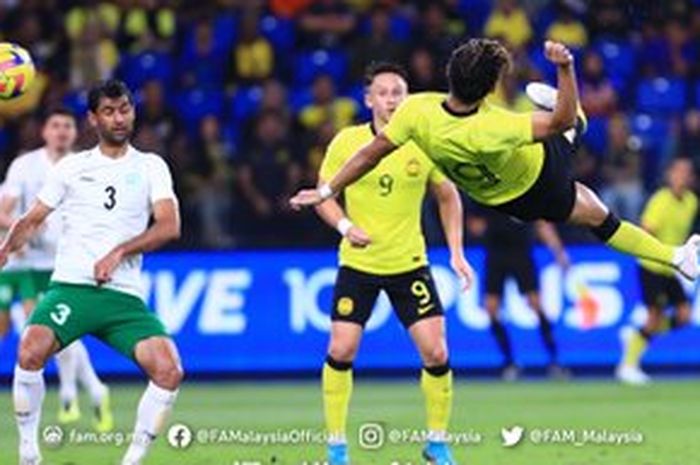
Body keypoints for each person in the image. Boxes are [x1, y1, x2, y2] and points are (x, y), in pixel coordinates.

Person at [290, 39, 700, 282]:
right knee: (573, 130)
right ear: (490, 89)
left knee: (591, 206)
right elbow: (556, 122)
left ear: (450, 75)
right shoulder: (496, 126)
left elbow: (368, 154)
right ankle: (676, 257)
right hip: (539, 180)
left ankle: (678, 258)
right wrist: (566, 69)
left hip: (499, 199)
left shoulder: (415, 111)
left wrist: (327, 189)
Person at [1, 79, 183, 465]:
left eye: (125, 109)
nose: (119, 118)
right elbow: (32, 219)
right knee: (30, 350)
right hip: (72, 289)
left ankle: (132, 460)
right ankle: (29, 452)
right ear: (93, 118)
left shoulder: (151, 166)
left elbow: (169, 226)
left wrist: (119, 251)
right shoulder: (72, 167)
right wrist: (4, 249)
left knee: (169, 370)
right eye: (109, 111)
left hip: (123, 297)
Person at [316, 62, 472, 465]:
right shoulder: (346, 142)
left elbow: (448, 195)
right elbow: (323, 195)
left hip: (409, 264)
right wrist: (346, 227)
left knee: (436, 353)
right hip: (359, 264)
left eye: (398, 91)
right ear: (368, 100)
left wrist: (456, 251)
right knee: (341, 348)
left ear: (407, 97)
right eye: (383, 92)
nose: (390, 98)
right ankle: (336, 447)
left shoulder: (422, 142)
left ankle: (436, 443)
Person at [0, 108, 113, 432]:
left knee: (51, 330)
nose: (61, 131)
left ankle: (73, 391)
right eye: (55, 125)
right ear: (45, 132)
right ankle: (90, 388)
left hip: (68, 263)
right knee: (37, 331)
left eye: (67, 126)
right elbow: (3, 211)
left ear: (75, 134)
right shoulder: (25, 165)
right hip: (27, 263)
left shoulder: (87, 168)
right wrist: (27, 227)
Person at [617, 157, 698, 385]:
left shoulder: (691, 201)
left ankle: (636, 336)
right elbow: (646, 230)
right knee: (654, 317)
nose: (682, 176)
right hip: (652, 265)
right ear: (670, 175)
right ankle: (628, 365)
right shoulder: (660, 201)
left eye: (686, 172)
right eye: (678, 171)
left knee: (684, 316)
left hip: (672, 268)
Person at [471, 210, 570, 380]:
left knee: (536, 304)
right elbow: (474, 223)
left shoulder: (523, 194)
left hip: (521, 253)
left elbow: (542, 223)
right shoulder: (484, 195)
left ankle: (555, 361)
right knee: (491, 308)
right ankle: (509, 362)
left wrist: (559, 251)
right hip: (495, 255)